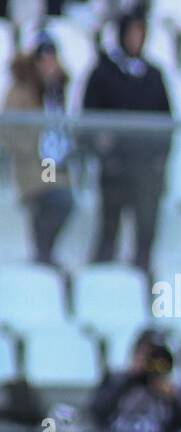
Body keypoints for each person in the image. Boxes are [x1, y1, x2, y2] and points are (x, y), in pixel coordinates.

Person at [82, 10, 172, 274]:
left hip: (145, 168)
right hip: (115, 168)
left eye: (140, 33)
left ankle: (142, 283)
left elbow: (168, 122)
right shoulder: (103, 73)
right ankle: (100, 284)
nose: (136, 39)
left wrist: (159, 158)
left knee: (146, 228)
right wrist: (103, 151)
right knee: (109, 229)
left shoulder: (154, 75)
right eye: (131, 33)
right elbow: (89, 118)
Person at [1, 37, 74, 267]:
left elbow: (60, 126)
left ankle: (44, 254)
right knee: (51, 197)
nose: (48, 65)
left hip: (51, 164)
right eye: (44, 60)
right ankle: (42, 254)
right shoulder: (21, 90)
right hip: (32, 164)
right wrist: (33, 145)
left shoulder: (55, 92)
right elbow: (9, 131)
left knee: (61, 199)